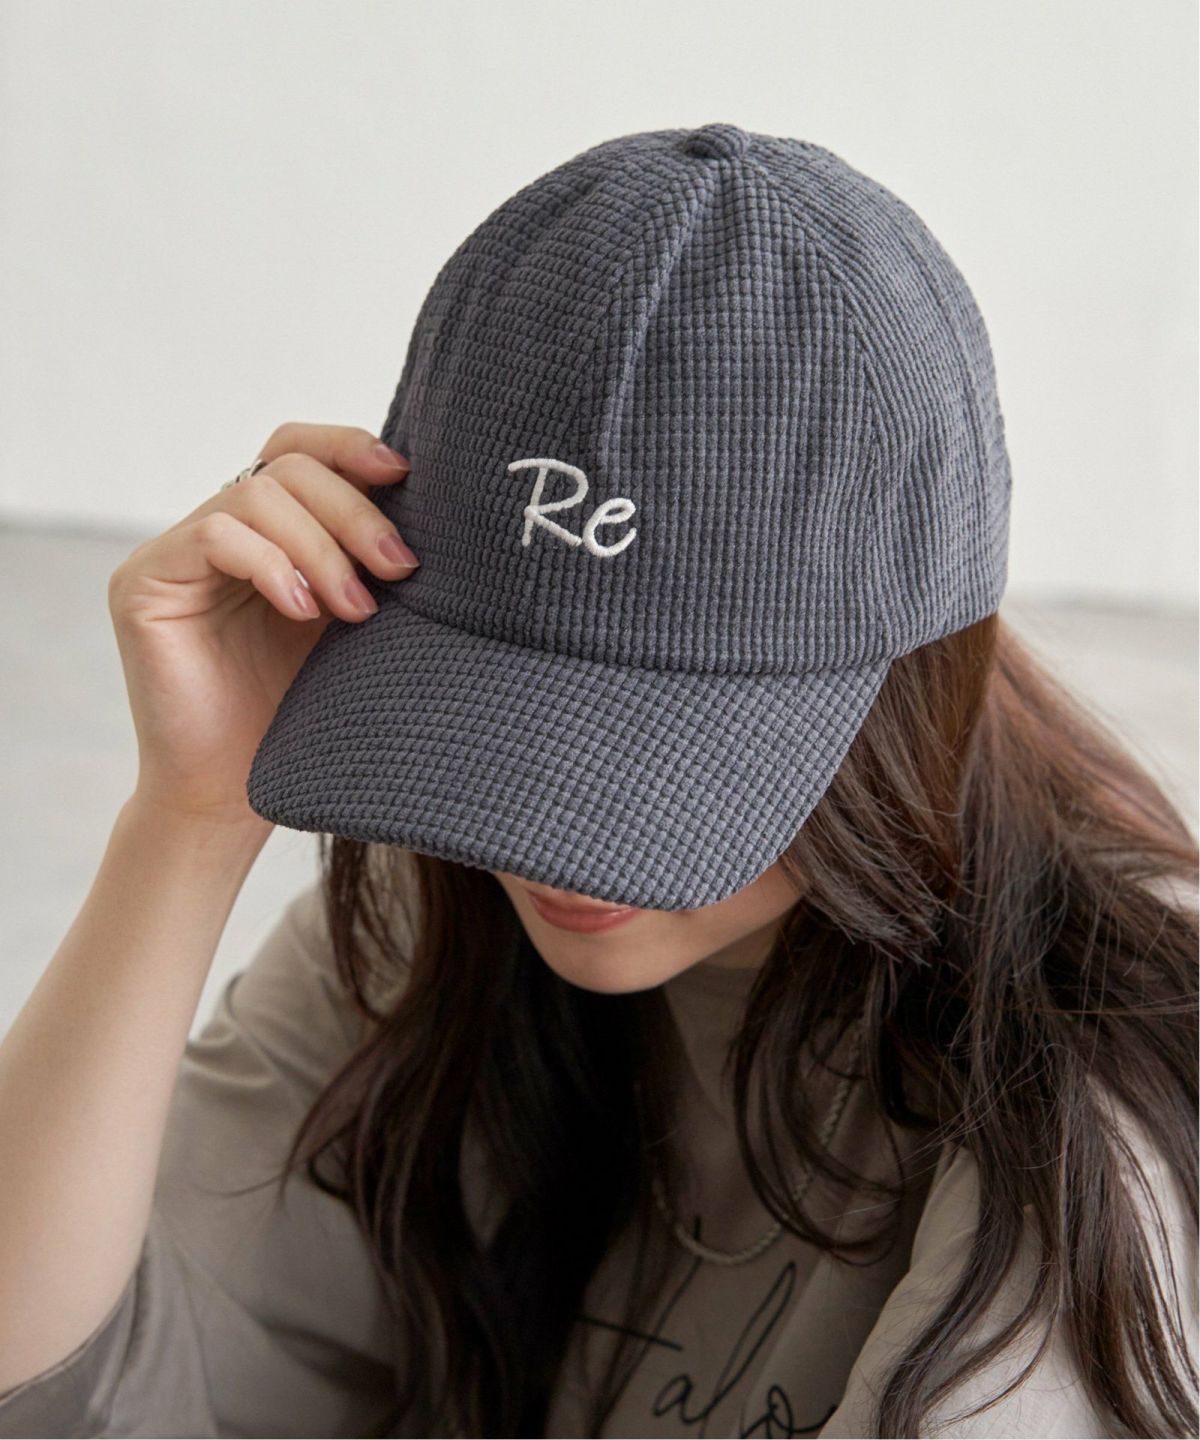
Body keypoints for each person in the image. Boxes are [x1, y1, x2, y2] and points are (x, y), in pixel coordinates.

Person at [0, 123, 1195, 1440]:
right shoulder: (427, 917)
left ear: (908, 685)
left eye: (661, 744)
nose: (547, 839)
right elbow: (53, 1393)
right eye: (508, 706)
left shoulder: (1096, 1105)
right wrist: (187, 818)